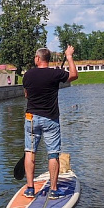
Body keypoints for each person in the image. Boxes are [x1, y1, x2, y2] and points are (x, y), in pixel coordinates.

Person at [22, 46, 78, 199]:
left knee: (30, 151)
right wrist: (69, 56)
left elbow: (26, 95)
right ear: (48, 59)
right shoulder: (55, 73)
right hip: (50, 119)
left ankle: (30, 189)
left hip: (31, 118)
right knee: (53, 154)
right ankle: (53, 190)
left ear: (38, 59)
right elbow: (74, 75)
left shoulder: (28, 74)